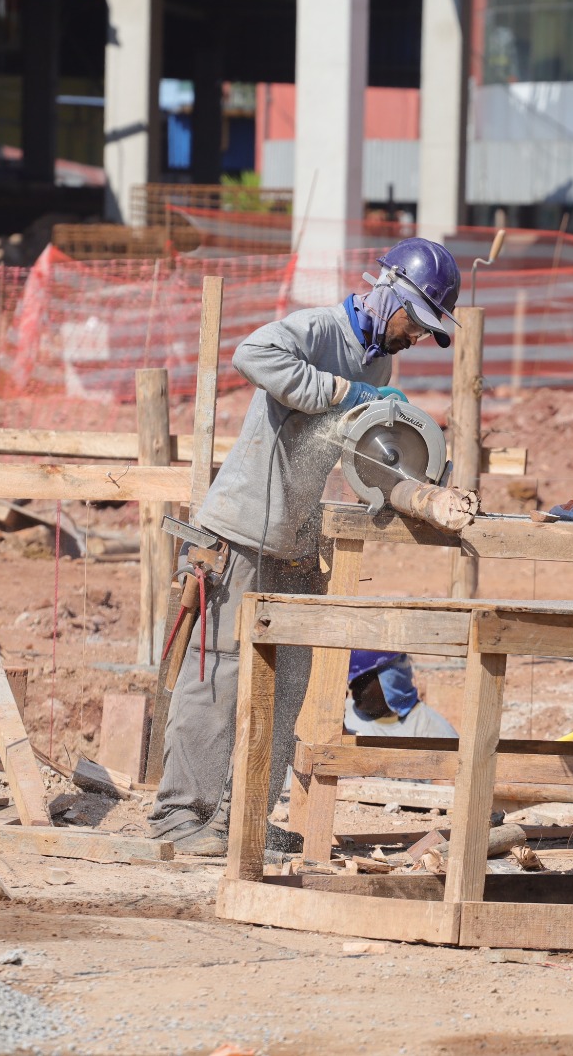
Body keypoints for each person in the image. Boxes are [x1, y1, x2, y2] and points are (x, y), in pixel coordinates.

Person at [148, 238, 463, 855]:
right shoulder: (318, 330)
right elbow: (250, 353)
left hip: (296, 539)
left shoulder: (379, 365)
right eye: (416, 323)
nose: (417, 337)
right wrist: (349, 396)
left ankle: (242, 822)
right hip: (241, 529)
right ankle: (180, 818)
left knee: (287, 682)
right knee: (218, 678)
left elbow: (351, 455)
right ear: (388, 294)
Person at [344, 650, 457, 738]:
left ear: (390, 679)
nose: (351, 686)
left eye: (362, 680)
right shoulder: (343, 714)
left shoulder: (433, 732)